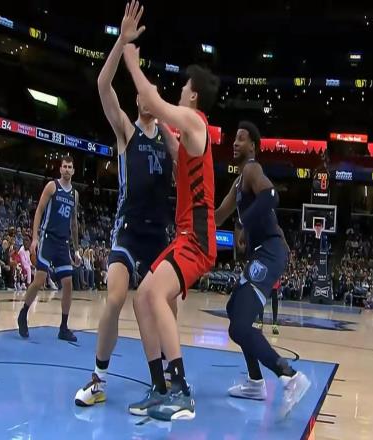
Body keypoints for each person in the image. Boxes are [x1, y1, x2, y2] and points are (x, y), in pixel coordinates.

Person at [119, 5, 220, 421]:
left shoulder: (196, 121)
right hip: (183, 236)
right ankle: (160, 387)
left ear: (194, 95)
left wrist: (130, 57)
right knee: (142, 297)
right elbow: (175, 148)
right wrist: (158, 121)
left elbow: (153, 101)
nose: (180, 90)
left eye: (183, 87)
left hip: (197, 238)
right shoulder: (189, 136)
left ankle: (181, 390)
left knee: (156, 294)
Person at [74, 0, 175, 407]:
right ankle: (98, 379)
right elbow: (103, 86)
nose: (147, 96)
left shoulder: (169, 139)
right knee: (115, 297)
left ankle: (167, 377)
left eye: (153, 92)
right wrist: (120, 42)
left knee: (165, 305)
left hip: (160, 234)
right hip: (129, 231)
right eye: (142, 92)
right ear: (137, 101)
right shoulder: (126, 131)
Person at [215, 121, 310, 417]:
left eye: (241, 139)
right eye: (234, 139)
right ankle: (256, 382)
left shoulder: (252, 169)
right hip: (262, 253)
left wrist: (243, 222)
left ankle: (290, 376)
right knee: (234, 310)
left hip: (270, 251)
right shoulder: (238, 183)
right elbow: (217, 217)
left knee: (239, 326)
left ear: (253, 146)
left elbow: (271, 196)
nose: (235, 143)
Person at [17, 155, 80, 341]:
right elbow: (39, 211)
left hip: (63, 243)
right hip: (47, 238)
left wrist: (76, 250)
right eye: (64, 166)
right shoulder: (52, 186)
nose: (67, 169)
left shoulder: (75, 194)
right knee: (39, 279)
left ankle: (63, 327)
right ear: (60, 169)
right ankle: (23, 313)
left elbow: (74, 223)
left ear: (73, 171)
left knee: (68, 283)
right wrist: (35, 238)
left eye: (70, 166)